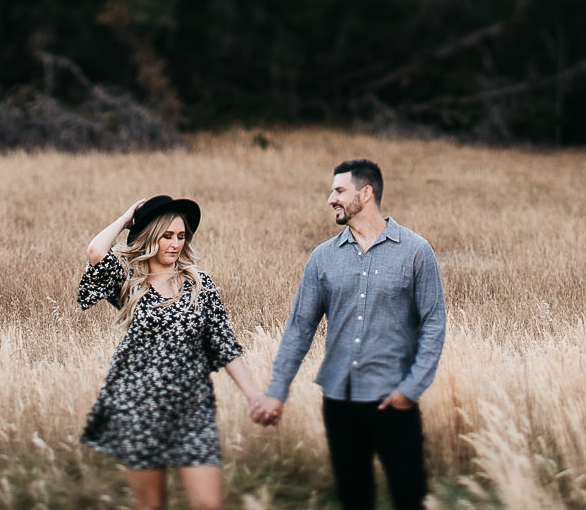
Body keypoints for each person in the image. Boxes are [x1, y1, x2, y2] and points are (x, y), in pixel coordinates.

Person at [254, 159, 446, 510]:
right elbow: (299, 328)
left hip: (395, 402)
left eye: (339, 191)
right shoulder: (322, 259)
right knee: (354, 500)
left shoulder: (416, 251)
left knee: (409, 499)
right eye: (332, 191)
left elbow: (433, 323)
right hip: (340, 403)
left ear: (366, 193)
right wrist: (277, 391)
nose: (331, 199)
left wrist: (412, 388)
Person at [78, 195, 268, 510]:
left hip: (193, 410)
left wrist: (253, 396)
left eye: (181, 237)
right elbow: (96, 251)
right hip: (140, 408)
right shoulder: (129, 282)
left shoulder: (200, 285)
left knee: (209, 504)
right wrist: (127, 217)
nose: (175, 244)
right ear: (151, 237)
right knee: (152, 507)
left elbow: (223, 342)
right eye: (167, 236)